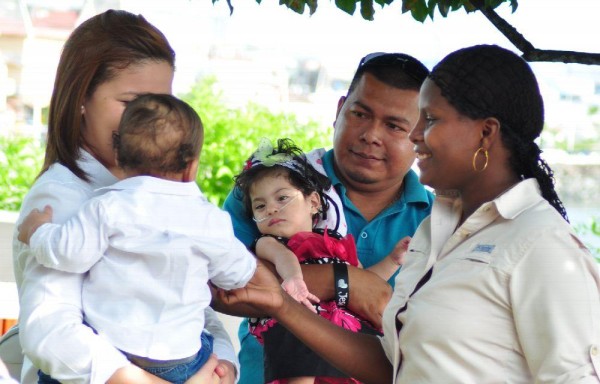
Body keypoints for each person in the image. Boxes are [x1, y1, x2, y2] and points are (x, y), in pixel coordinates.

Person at [217, 44, 600, 383]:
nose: (415, 135)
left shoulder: (541, 244)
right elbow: (395, 364)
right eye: (362, 115)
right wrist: (292, 301)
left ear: (485, 135)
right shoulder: (437, 231)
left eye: (428, 120)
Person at [11, 10, 238, 384]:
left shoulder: (157, 191)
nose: (147, 121)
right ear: (81, 97)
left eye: (160, 104)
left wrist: (223, 364)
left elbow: (186, 297)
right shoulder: (62, 197)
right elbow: (49, 330)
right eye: (132, 102)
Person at [220, 52, 434, 384]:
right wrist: (345, 280)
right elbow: (224, 287)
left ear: (420, 134)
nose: (371, 135)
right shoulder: (270, 188)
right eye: (360, 114)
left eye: (393, 125)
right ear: (339, 111)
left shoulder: (439, 222)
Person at [233, 137, 409, 383]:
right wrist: (294, 280)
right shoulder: (268, 243)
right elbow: (284, 259)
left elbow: (366, 281)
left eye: (282, 198)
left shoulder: (336, 242)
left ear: (313, 202)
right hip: (295, 327)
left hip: (340, 335)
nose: (271, 209)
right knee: (295, 330)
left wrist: (393, 260)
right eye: (260, 206)